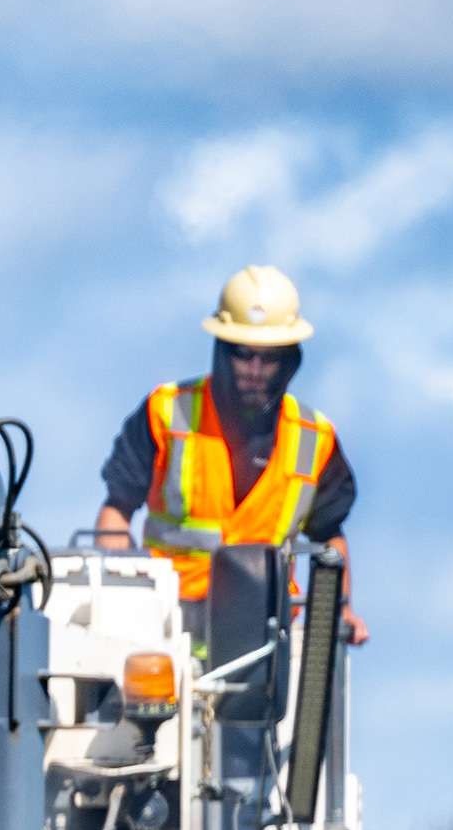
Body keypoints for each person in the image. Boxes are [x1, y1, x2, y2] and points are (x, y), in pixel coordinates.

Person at [93, 265, 367, 647]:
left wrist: (341, 611)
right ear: (222, 350)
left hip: (264, 641)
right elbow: (117, 510)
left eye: (269, 358)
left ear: (289, 360)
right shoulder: (166, 413)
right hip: (163, 633)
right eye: (243, 354)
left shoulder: (314, 439)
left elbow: (329, 538)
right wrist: (110, 595)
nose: (254, 370)